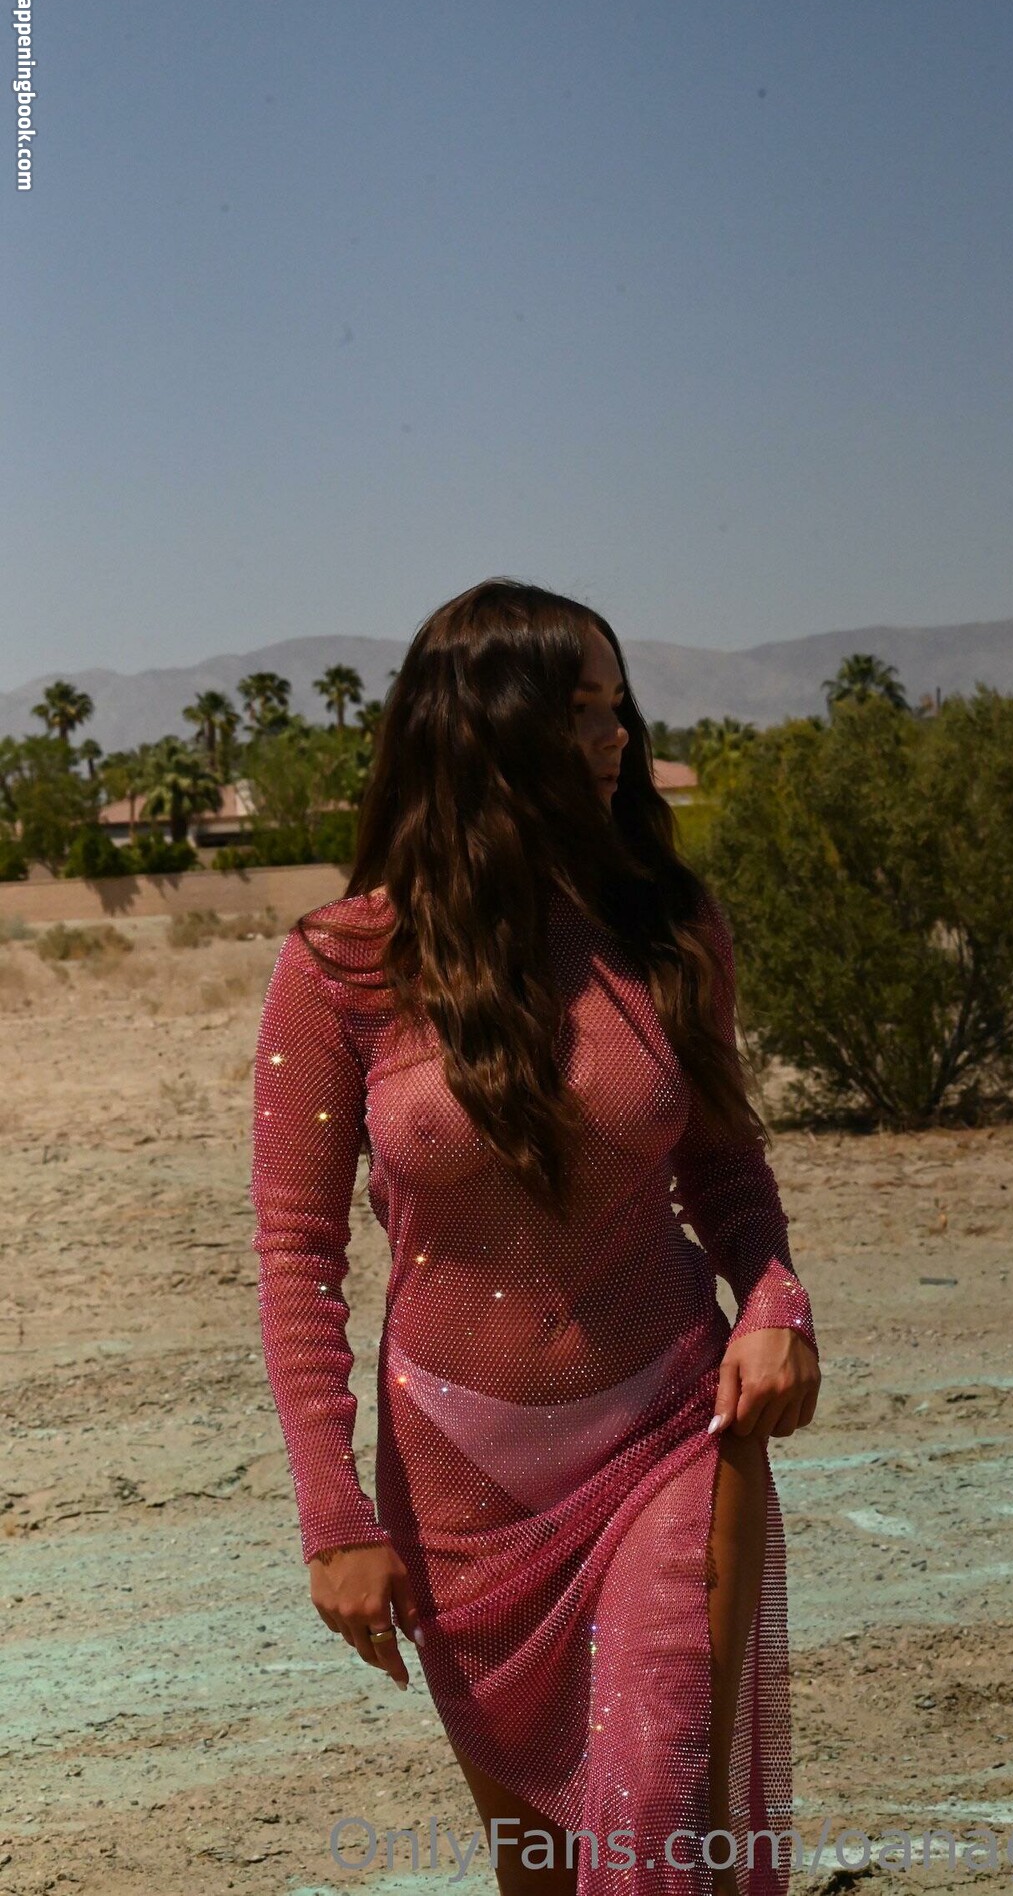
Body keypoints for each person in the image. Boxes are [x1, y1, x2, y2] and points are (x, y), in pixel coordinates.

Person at [251, 579, 821, 1896]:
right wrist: (332, 1518)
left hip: (670, 1439)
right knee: (545, 1875)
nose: (616, 737)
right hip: (459, 1493)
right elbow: (297, 1258)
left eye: (618, 706)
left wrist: (775, 1299)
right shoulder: (342, 967)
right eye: (578, 712)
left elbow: (725, 1164)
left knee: (660, 1823)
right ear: (483, 729)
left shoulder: (667, 928)